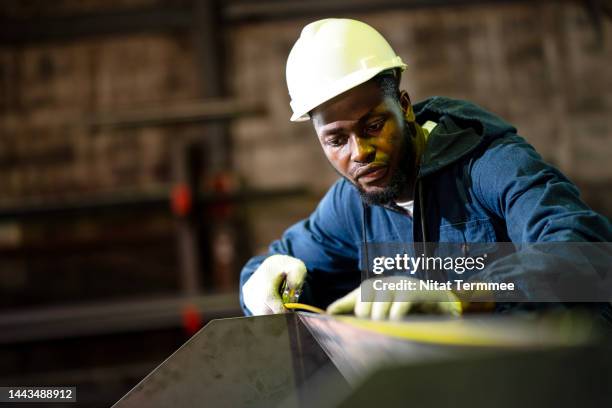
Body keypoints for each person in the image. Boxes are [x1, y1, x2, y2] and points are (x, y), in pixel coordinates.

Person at [239, 18, 612, 320]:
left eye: (373, 127)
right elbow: (276, 262)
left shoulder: (486, 165)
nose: (361, 152)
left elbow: (585, 254)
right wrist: (260, 283)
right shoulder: (352, 205)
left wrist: (461, 297)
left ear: (404, 107)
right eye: (337, 141)